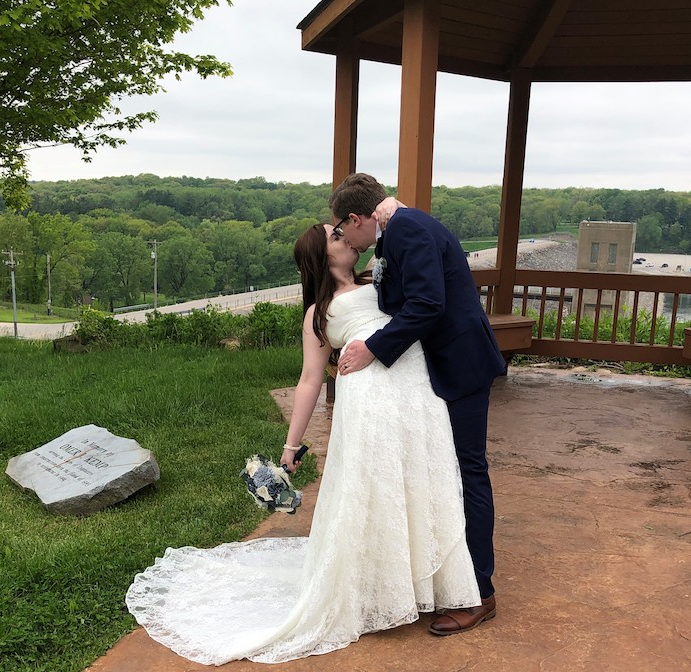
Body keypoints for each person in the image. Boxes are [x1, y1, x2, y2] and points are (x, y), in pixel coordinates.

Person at [124, 223, 480, 665]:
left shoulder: (381, 279)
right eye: (336, 237)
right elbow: (311, 378)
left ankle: (431, 582)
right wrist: (291, 447)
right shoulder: (317, 313)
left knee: (425, 479)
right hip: (369, 399)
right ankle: (378, 587)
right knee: (376, 487)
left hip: (415, 388)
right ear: (322, 256)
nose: (347, 239)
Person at [330, 173, 506, 635]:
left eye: (344, 230)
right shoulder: (399, 233)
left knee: (468, 472)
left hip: (462, 365)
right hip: (443, 368)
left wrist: (372, 348)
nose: (347, 240)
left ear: (357, 217)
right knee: (448, 472)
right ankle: (449, 580)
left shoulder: (408, 229)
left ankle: (480, 594)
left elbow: (428, 303)